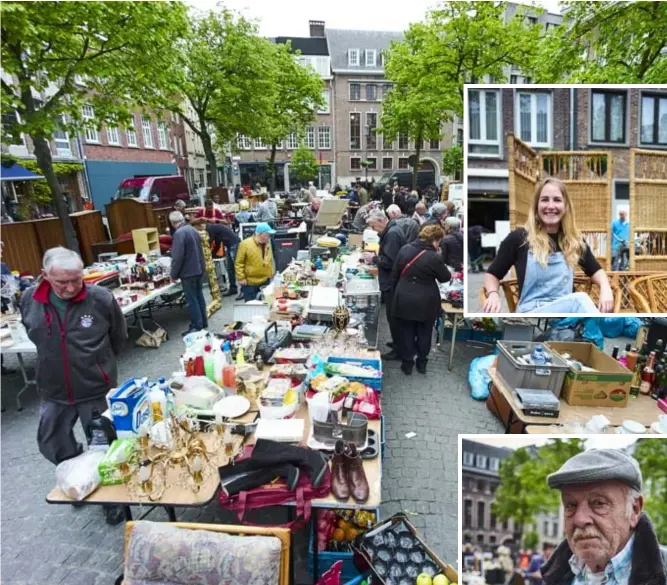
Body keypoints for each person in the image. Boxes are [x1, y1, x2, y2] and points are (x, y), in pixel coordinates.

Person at [20, 247, 127, 524]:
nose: (70, 288)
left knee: (105, 447)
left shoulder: (100, 299)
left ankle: (110, 499)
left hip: (94, 389)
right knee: (52, 442)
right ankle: (78, 478)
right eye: (61, 282)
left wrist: (99, 367)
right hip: (53, 389)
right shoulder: (30, 299)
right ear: (44, 276)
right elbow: (34, 333)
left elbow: (119, 336)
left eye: (76, 280)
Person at [484, 179, 614, 314]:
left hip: (565, 316)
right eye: (545, 200)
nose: (550, 206)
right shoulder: (519, 239)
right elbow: (492, 274)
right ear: (536, 206)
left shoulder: (573, 241)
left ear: (566, 206)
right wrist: (493, 294)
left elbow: (595, 270)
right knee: (580, 300)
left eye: (557, 200)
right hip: (532, 314)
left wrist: (605, 288)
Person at [542, 448, 667, 585]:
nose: (580, 519)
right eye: (570, 505)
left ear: (634, 509)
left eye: (598, 503)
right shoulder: (554, 575)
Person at [391, 225, 451, 375]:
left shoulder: (405, 249)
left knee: (406, 331)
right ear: (435, 241)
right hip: (426, 300)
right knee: (424, 332)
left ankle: (407, 363)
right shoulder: (434, 257)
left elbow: (395, 273)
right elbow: (445, 278)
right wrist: (440, 257)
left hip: (404, 296)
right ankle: (422, 363)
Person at [362, 209, 406, 360]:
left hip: (391, 282)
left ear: (381, 221)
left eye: (374, 226)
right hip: (393, 281)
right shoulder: (392, 230)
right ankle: (398, 344)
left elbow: (390, 262)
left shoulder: (392, 234)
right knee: (393, 316)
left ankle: (400, 350)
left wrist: (373, 259)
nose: (373, 230)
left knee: (393, 317)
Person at [169, 211, 208, 335]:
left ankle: (197, 325)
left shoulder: (179, 234)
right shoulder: (192, 229)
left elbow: (178, 256)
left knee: (192, 299)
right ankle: (203, 322)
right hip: (198, 268)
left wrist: (173, 274)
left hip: (188, 271)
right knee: (199, 296)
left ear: (172, 223)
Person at [235, 222, 276, 302]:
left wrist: (271, 272)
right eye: (268, 234)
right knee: (252, 306)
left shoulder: (268, 243)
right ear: (260, 234)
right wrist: (241, 278)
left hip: (265, 280)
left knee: (265, 304)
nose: (269, 236)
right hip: (250, 282)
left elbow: (269, 259)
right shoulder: (245, 244)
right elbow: (239, 263)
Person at [206, 222, 241, 298]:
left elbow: (210, 241)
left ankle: (243, 290)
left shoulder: (210, 229)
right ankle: (233, 288)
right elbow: (217, 241)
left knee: (237, 268)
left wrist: (207, 251)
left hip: (234, 245)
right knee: (230, 269)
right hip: (231, 244)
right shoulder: (214, 228)